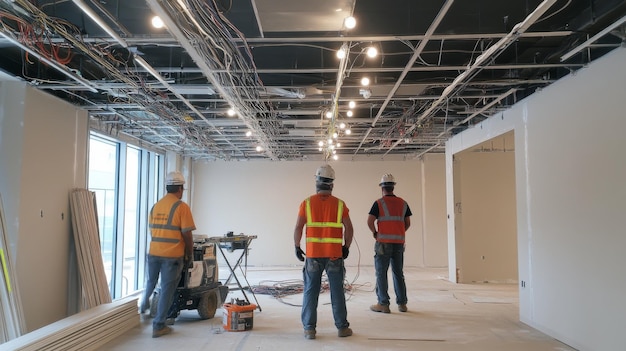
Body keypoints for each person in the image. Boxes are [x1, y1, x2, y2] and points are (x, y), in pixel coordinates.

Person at [293, 164, 354, 340]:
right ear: (332, 184)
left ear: (316, 182)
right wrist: (346, 246)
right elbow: (349, 228)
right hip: (335, 255)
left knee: (311, 291)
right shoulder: (340, 204)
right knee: (337, 292)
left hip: (313, 255)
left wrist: (297, 246)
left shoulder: (307, 203)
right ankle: (342, 328)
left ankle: (309, 329)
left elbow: (298, 227)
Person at [140, 171, 195, 338]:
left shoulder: (156, 206)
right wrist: (189, 254)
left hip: (153, 252)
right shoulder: (181, 207)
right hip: (172, 256)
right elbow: (187, 233)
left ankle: (143, 305)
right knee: (166, 290)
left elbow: (153, 230)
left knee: (151, 281)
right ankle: (159, 325)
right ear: (180, 188)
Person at [367, 173, 412, 313]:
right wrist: (398, 232)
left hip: (383, 243)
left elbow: (369, 221)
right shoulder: (403, 203)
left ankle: (383, 304)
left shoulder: (379, 203)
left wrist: (375, 233)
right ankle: (402, 304)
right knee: (398, 273)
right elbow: (408, 223)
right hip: (398, 243)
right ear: (393, 187)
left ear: (382, 187)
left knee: (381, 273)